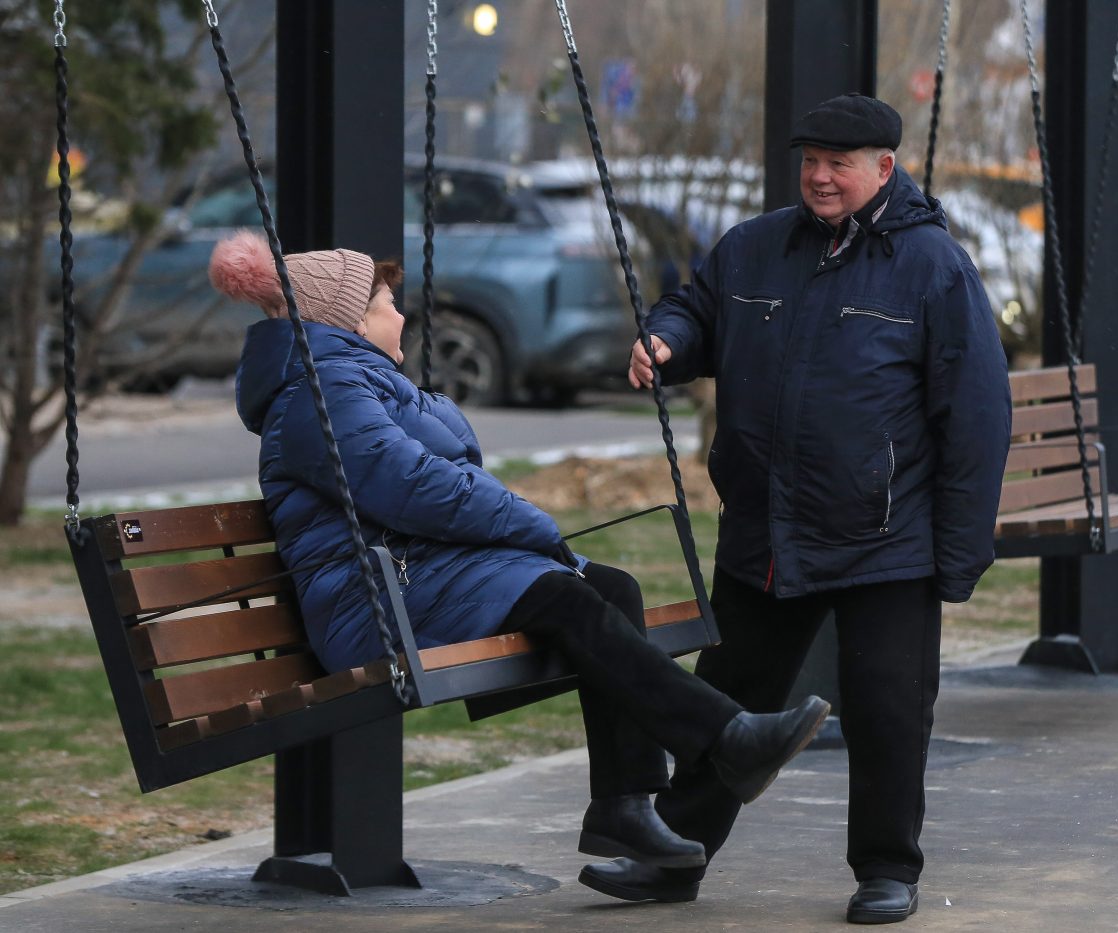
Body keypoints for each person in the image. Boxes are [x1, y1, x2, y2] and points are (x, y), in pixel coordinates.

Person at [208, 230, 830, 875]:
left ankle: (625, 807)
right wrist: (530, 521)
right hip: (377, 602)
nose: (401, 315)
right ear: (351, 321)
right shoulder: (321, 394)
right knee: (563, 596)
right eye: (388, 303)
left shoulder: (354, 383)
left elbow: (434, 478)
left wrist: (510, 520)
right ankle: (727, 737)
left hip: (420, 574)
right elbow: (412, 488)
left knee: (613, 588)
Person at [607, 93, 1012, 923]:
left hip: (886, 536)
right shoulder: (756, 247)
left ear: (884, 169)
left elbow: (975, 415)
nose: (820, 178)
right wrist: (666, 339)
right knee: (726, 700)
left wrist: (960, 550)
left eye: (840, 164)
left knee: (889, 708)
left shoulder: (934, 266)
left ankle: (886, 868)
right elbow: (700, 308)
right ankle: (676, 854)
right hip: (765, 528)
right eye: (811, 162)